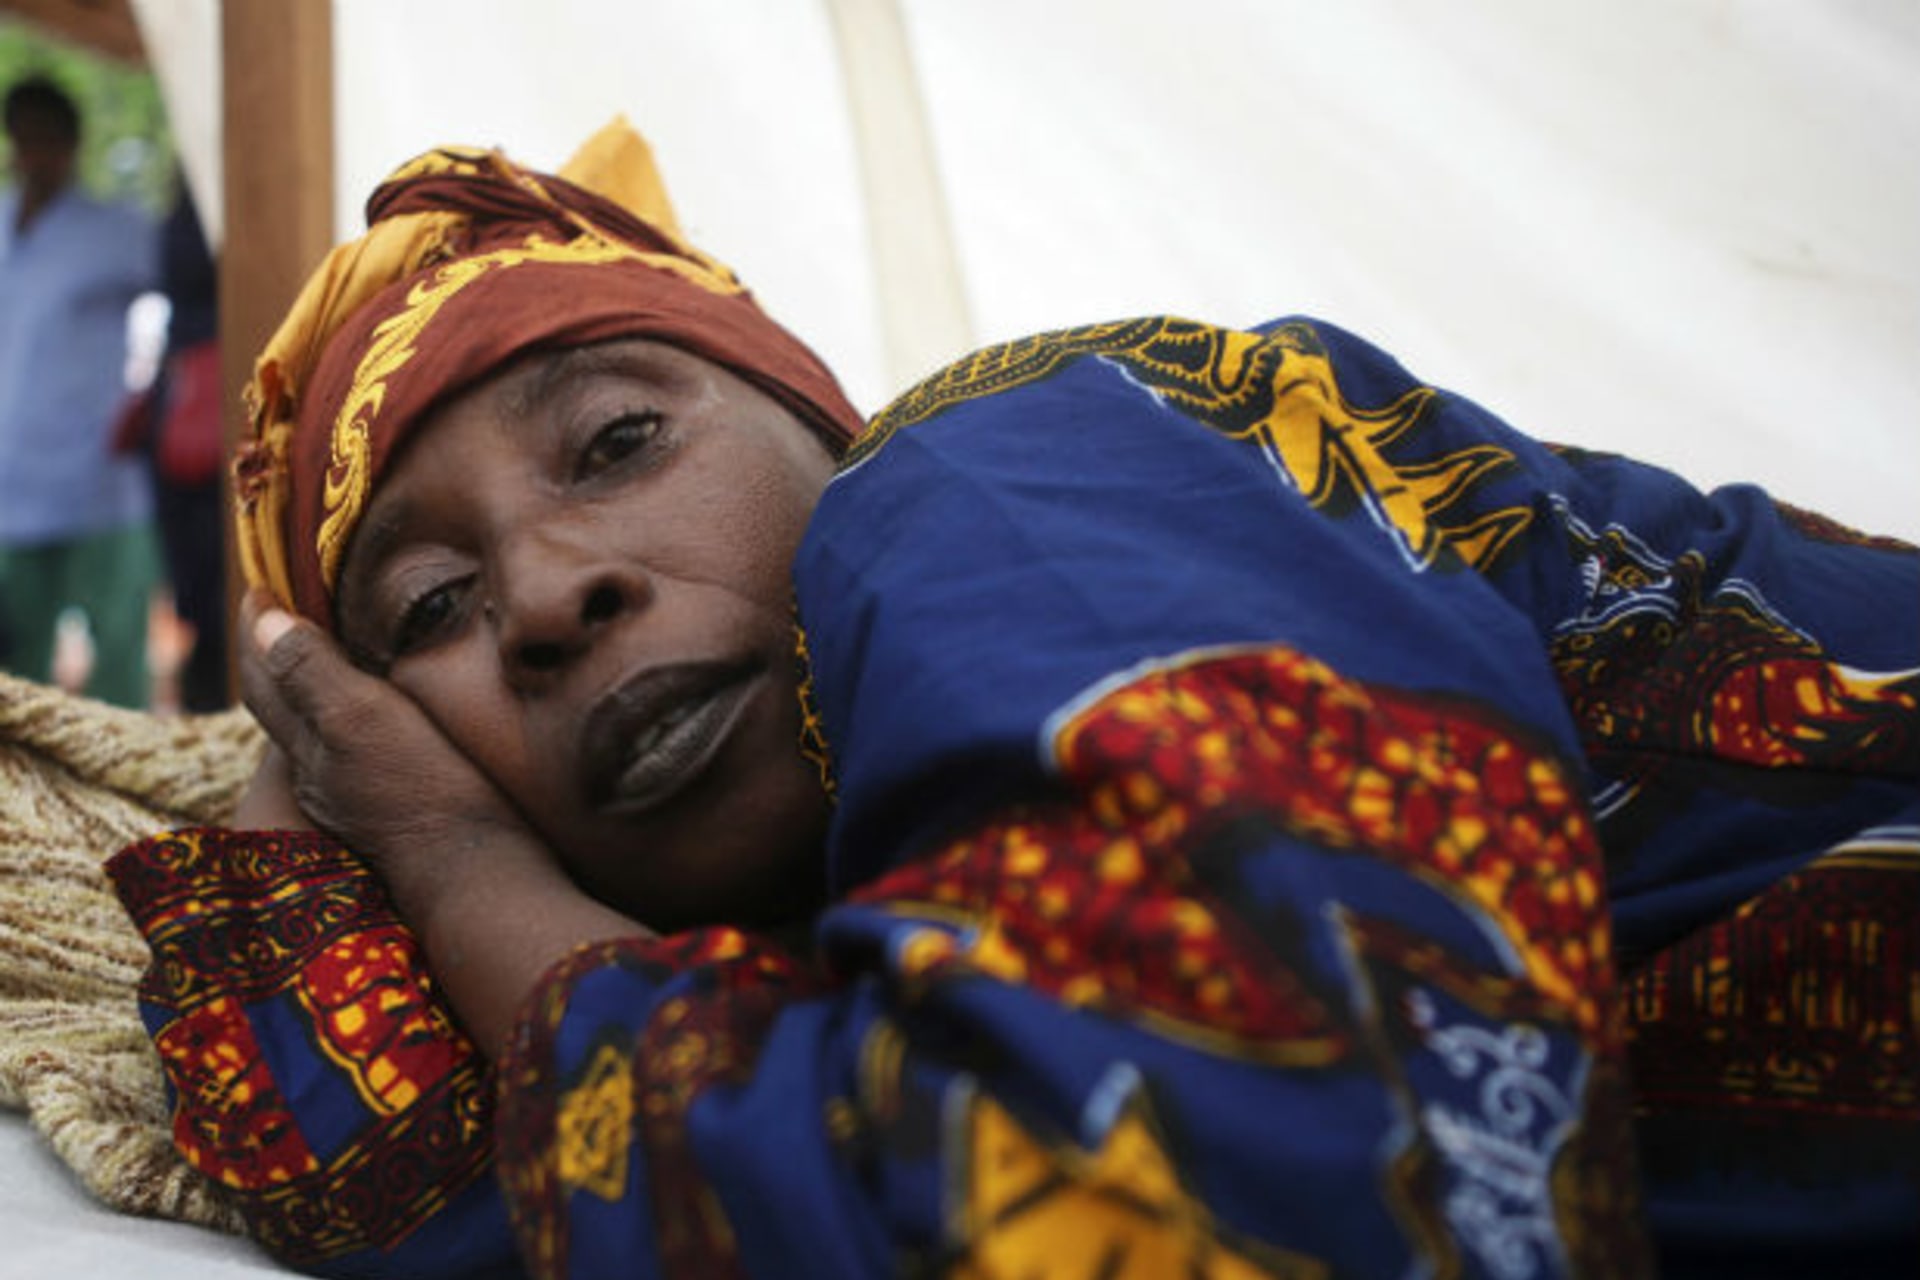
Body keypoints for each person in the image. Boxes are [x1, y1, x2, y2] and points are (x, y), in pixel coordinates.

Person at [105, 123, 1916, 1280]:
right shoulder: (835, 972)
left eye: (624, 436)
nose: (555, 592)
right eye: (430, 607)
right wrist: (386, 816)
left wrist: (466, 874)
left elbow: (1209, 1212)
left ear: (829, 426)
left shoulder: (1007, 465)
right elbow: (426, 1192)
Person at [0, 74, 158, 708]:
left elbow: (190, 293)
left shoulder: (115, 231)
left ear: (71, 144)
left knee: (116, 648)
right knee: (20, 661)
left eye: (47, 140)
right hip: (12, 480)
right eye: (24, 138)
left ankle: (126, 790)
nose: (34, 154)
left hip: (98, 477)